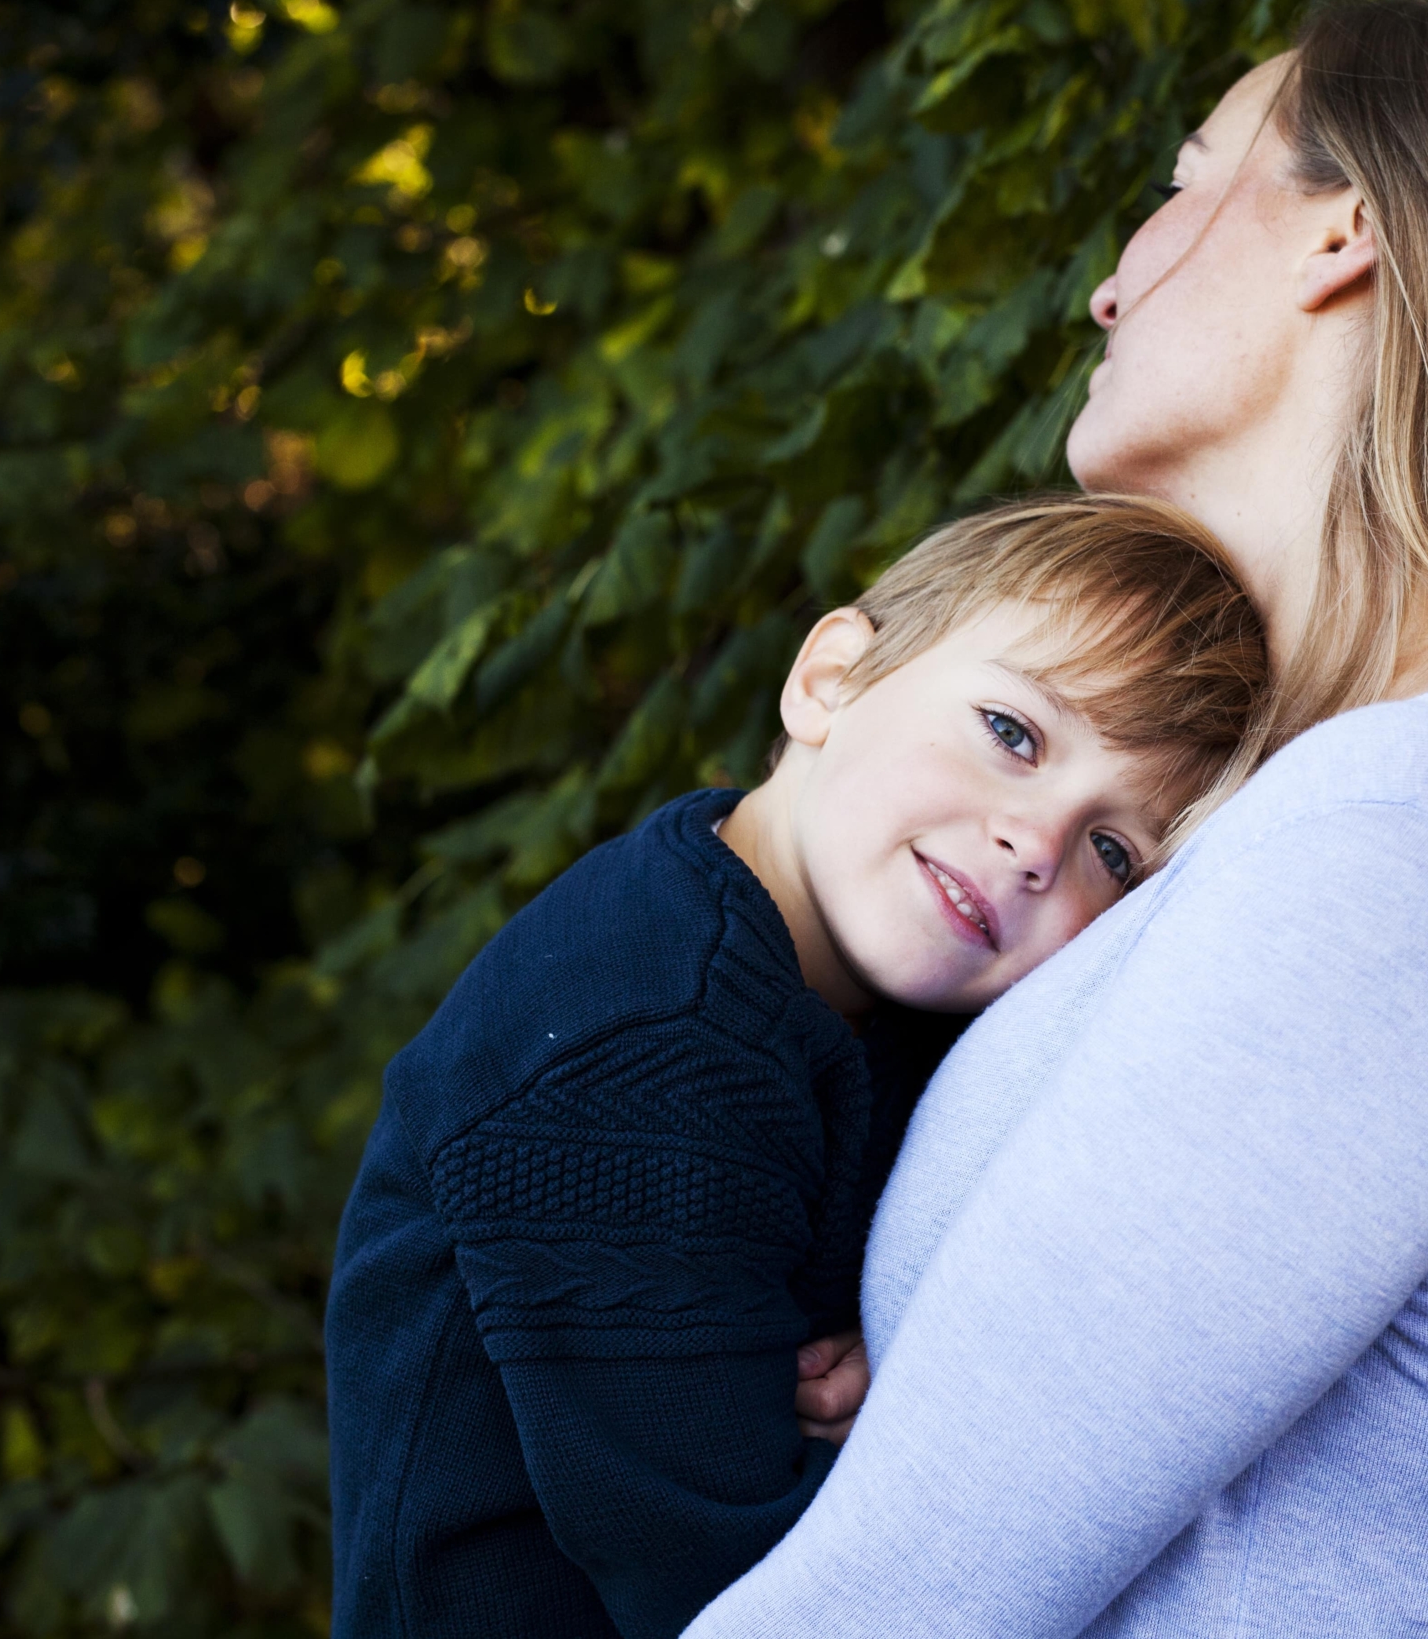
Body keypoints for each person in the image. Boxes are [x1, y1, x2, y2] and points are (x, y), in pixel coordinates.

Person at [686, 0, 1428, 1638]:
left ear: (1351, 233)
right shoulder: (1405, 808)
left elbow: (901, 1604)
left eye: (1191, 179)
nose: (1113, 277)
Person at [323, 497, 1267, 1639]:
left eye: (1114, 852)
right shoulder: (652, 1038)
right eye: (1013, 733)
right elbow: (726, 1577)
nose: (1035, 845)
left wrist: (908, 1335)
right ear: (829, 682)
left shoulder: (877, 997)